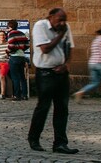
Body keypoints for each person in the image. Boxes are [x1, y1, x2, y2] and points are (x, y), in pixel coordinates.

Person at [27, 8, 77, 154]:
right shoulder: (40, 26)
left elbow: (70, 47)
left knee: (62, 108)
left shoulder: (65, 27)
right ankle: (34, 138)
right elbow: (45, 49)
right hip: (45, 73)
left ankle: (60, 143)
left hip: (61, 73)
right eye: (59, 20)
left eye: (64, 20)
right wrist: (60, 35)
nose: (62, 23)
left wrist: (66, 65)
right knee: (43, 107)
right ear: (51, 17)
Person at [73, 26, 101, 104]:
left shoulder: (95, 40)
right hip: (100, 63)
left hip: (92, 63)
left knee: (95, 82)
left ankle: (80, 92)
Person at [6, 20, 30, 101]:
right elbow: (27, 44)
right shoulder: (22, 34)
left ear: (10, 27)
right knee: (22, 77)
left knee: (15, 77)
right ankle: (25, 95)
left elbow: (11, 45)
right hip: (22, 56)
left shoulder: (11, 33)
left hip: (14, 56)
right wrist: (22, 49)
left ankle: (17, 95)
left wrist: (8, 51)